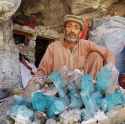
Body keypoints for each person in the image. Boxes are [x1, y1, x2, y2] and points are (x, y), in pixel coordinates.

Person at [34, 15, 115, 78]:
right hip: (59, 89)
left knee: (96, 56)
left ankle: (89, 92)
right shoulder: (53, 47)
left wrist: (110, 70)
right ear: (64, 30)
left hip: (81, 90)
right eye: (69, 26)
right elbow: (42, 71)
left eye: (76, 28)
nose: (72, 30)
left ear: (80, 33)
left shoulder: (85, 44)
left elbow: (108, 53)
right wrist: (36, 82)